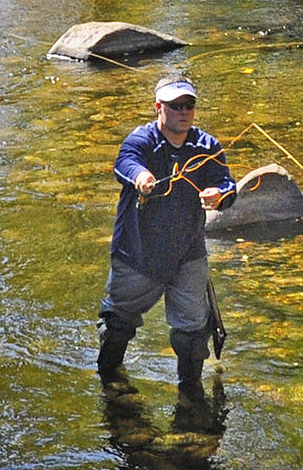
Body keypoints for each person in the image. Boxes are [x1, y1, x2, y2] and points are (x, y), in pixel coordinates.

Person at [96, 75, 236, 401]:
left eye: (189, 106)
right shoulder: (140, 140)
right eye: (175, 107)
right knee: (117, 325)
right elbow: (125, 162)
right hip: (137, 253)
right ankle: (110, 383)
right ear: (159, 108)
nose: (183, 112)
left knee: (191, 335)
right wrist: (141, 176)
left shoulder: (207, 147)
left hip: (188, 252)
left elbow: (227, 185)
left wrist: (221, 195)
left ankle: (191, 396)